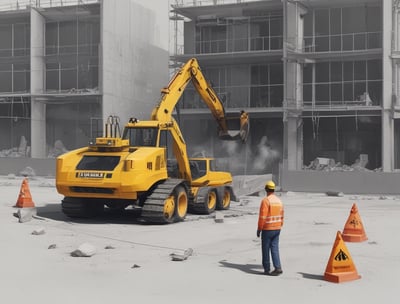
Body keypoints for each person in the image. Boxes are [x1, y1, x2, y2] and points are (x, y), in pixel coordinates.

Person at [257, 180, 284, 276]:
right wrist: (280, 225)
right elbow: (282, 215)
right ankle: (278, 267)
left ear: (266, 189)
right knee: (275, 248)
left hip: (267, 229)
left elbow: (262, 217)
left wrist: (259, 228)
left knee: (265, 249)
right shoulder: (279, 201)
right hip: (277, 228)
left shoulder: (266, 201)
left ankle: (267, 269)